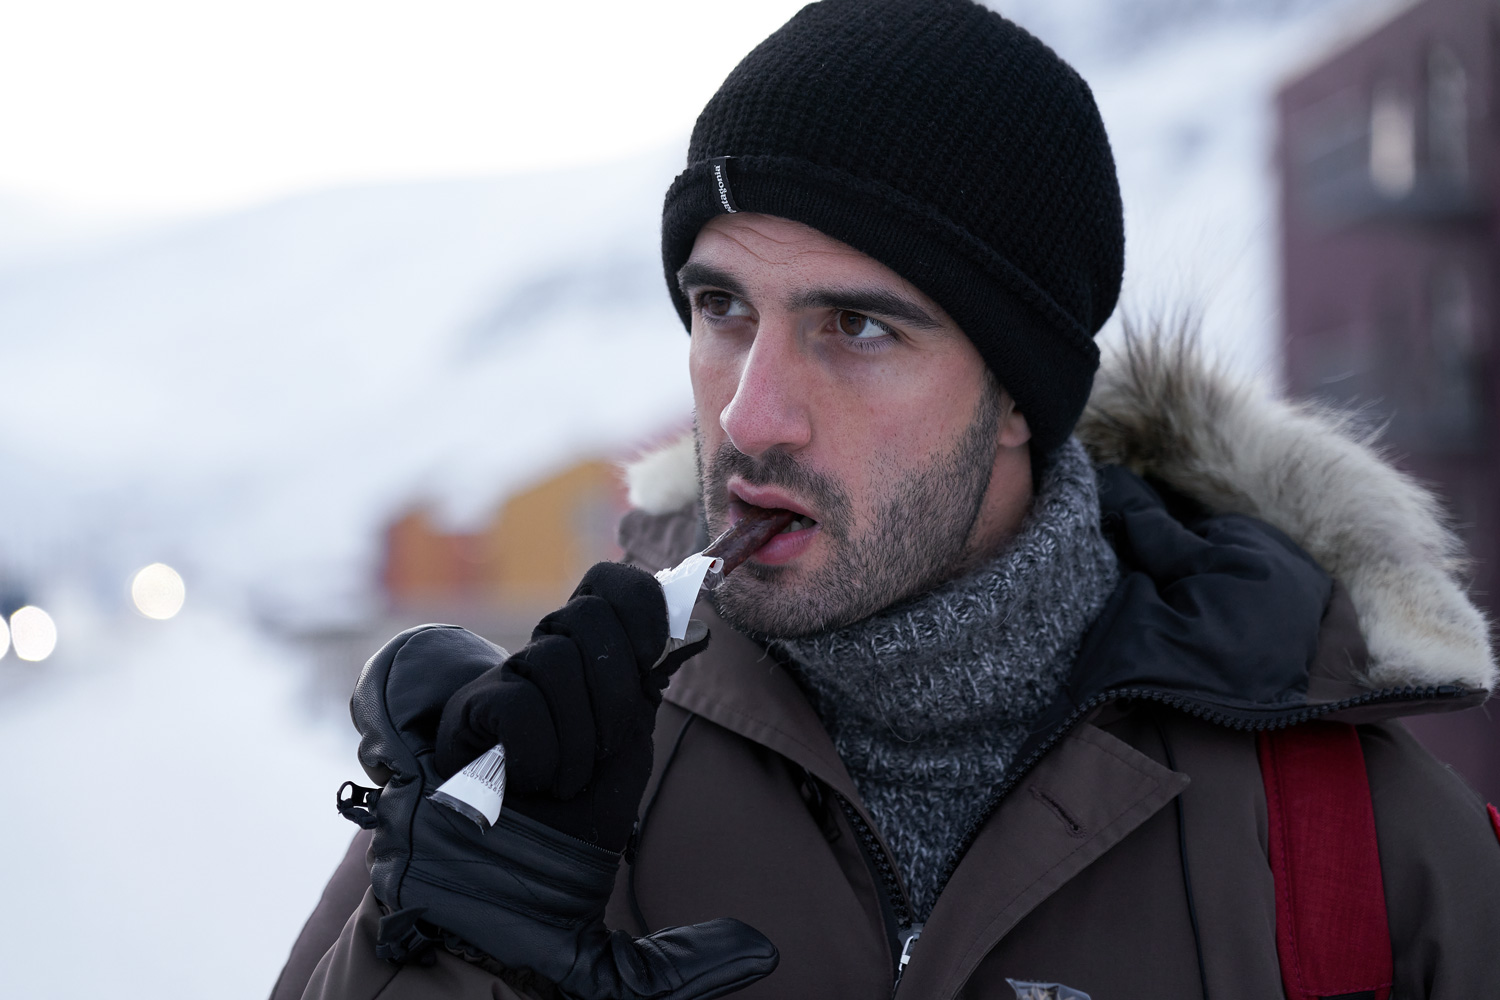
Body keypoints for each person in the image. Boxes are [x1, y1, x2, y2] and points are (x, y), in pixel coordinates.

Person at [273, 2, 1500, 998]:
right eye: (721, 309)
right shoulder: (541, 778)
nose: (750, 416)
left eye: (856, 326)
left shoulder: (1354, 843)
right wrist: (444, 956)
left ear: (1020, 393)